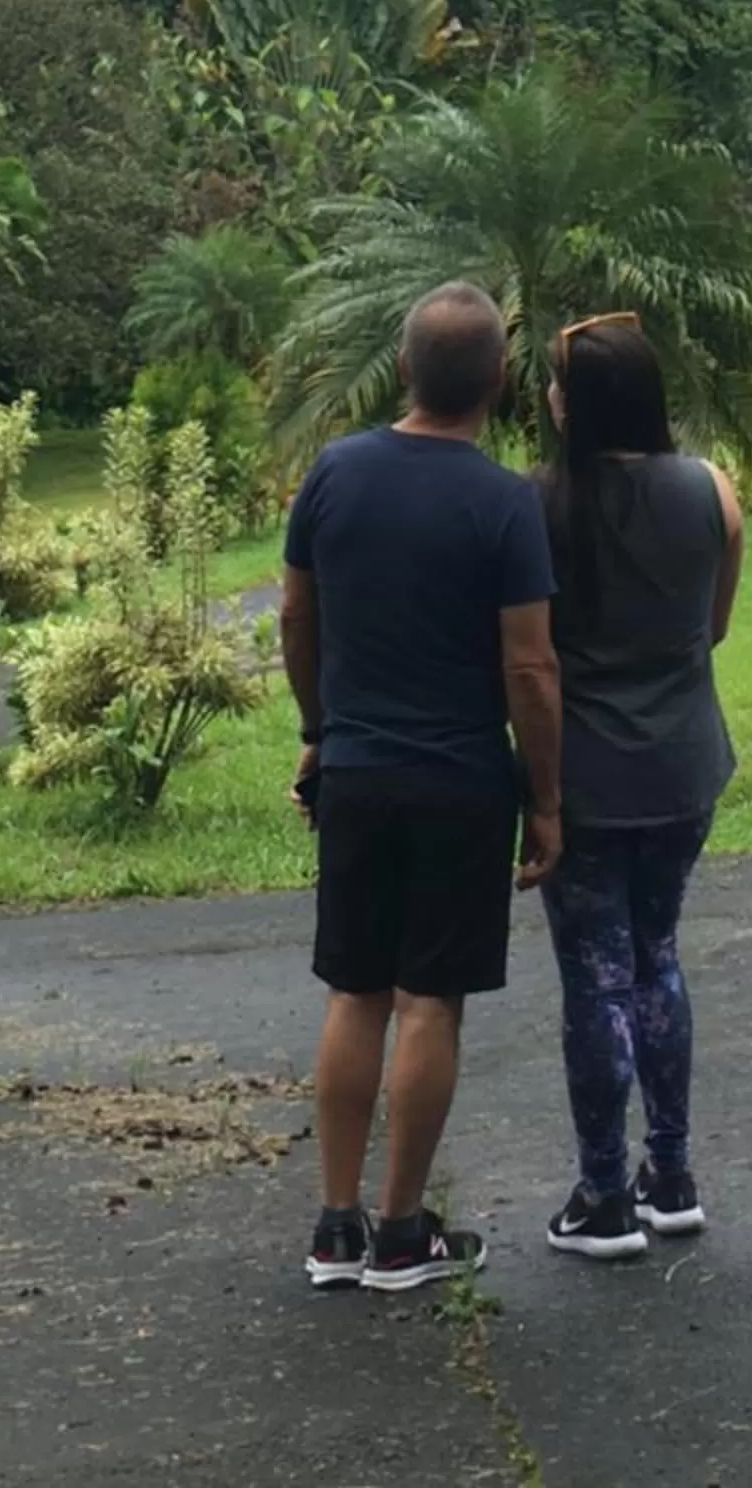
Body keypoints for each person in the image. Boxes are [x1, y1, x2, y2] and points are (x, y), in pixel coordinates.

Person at [280, 281, 563, 1294]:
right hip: (458, 784)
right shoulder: (503, 502)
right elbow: (530, 669)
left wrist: (321, 730)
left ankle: (334, 1226)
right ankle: (404, 1236)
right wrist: (544, 800)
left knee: (353, 991)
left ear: (403, 368)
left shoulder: (334, 473)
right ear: (498, 378)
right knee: (428, 1002)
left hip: (354, 773)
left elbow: (296, 618)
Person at [532, 314, 745, 1261]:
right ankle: (673, 1174)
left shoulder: (538, 505)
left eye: (554, 383)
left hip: (583, 777)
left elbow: (523, 651)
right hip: (686, 764)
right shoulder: (712, 489)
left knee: (595, 978)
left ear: (573, 405)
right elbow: (716, 628)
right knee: (659, 957)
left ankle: (603, 1194)